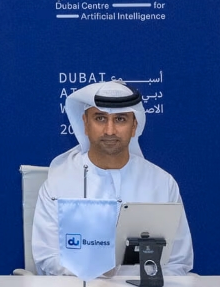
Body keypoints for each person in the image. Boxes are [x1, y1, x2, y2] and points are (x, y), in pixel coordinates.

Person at [31, 80, 194, 275]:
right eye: (100, 118)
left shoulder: (162, 184)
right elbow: (47, 258)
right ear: (85, 124)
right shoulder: (58, 183)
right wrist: (93, 275)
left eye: (120, 119)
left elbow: (178, 262)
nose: (110, 130)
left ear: (134, 126)